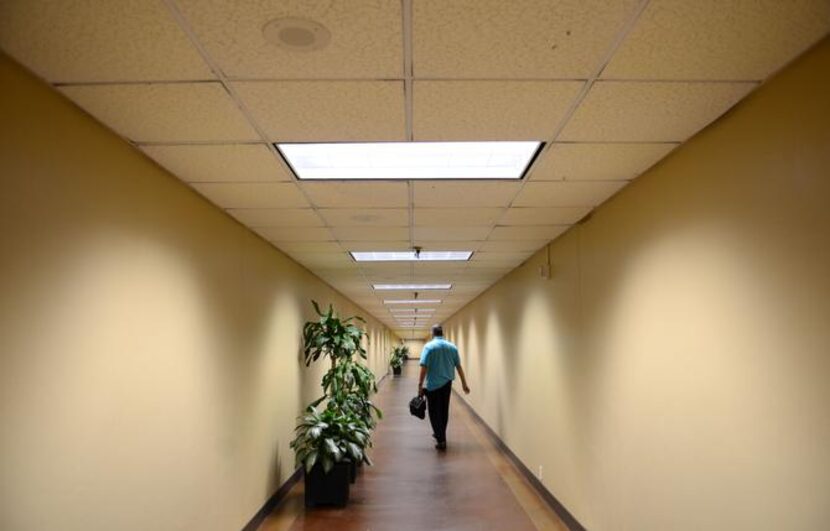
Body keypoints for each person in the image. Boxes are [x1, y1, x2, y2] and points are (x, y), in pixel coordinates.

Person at [417, 324, 470, 450]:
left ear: (432, 333)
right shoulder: (452, 347)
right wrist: (464, 383)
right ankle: (441, 434)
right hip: (447, 385)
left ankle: (441, 439)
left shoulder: (428, 347)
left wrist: (420, 385)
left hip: (433, 386)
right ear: (442, 333)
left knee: (433, 412)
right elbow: (458, 366)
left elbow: (424, 367)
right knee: (444, 411)